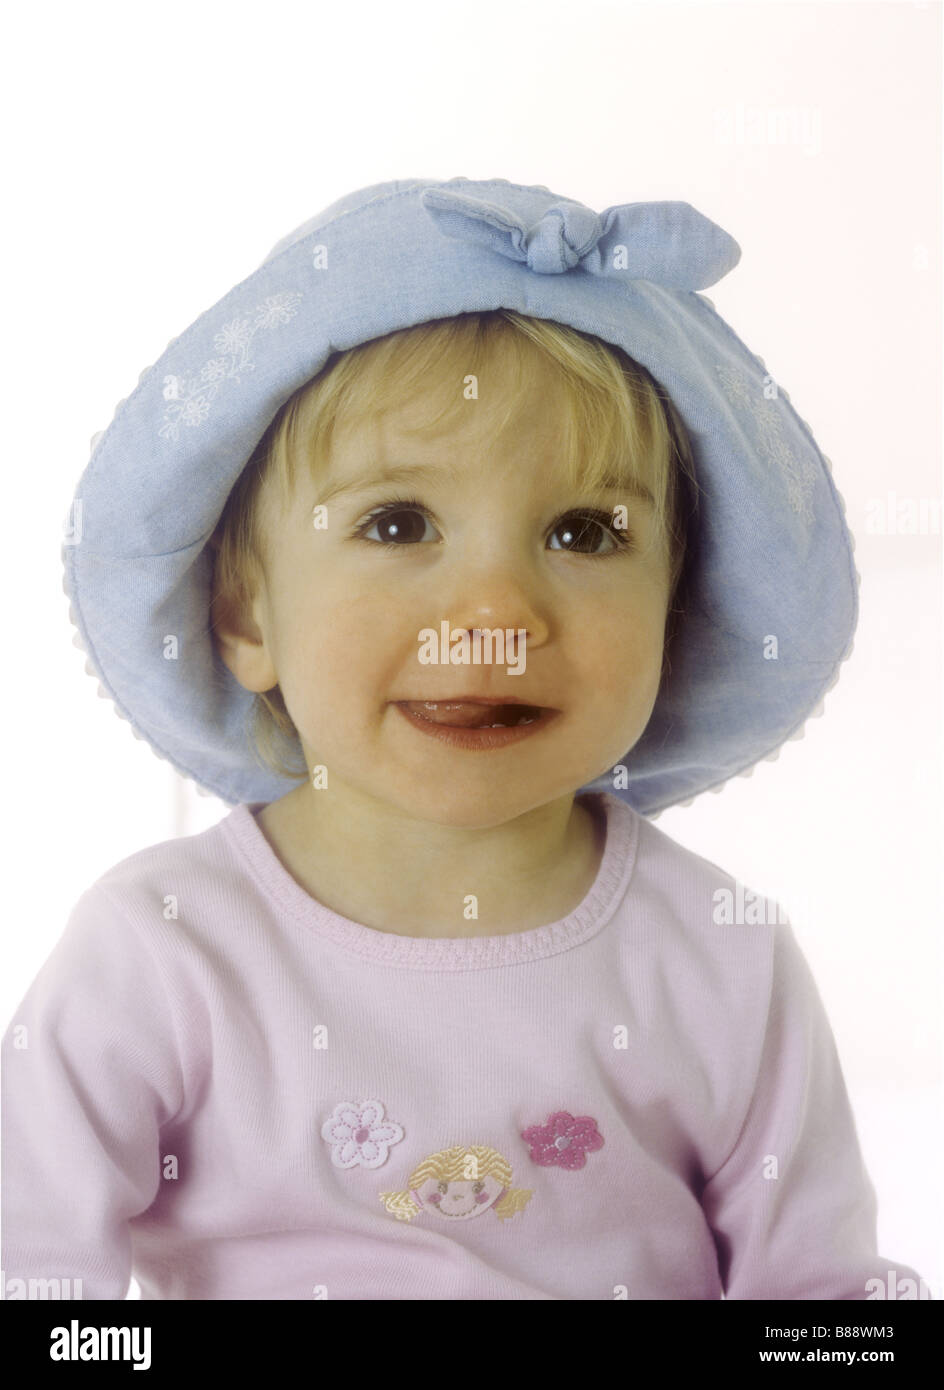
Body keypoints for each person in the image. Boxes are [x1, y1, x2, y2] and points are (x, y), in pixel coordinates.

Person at [1, 177, 927, 1300]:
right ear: (246, 616)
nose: (493, 613)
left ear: (675, 611)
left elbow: (816, 1298)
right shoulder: (161, 952)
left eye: (584, 531)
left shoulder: (720, 958)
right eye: (397, 523)